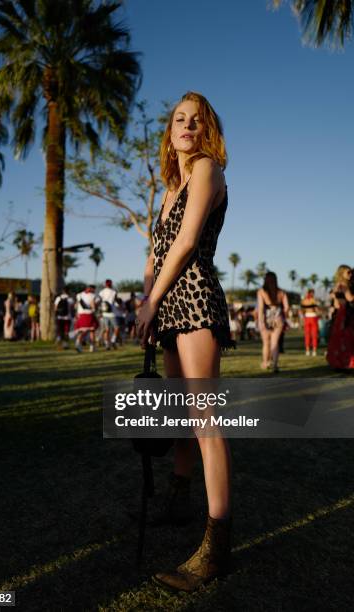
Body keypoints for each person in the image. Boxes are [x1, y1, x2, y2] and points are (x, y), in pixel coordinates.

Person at [136, 92, 234, 592]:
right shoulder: (171, 185)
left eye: (197, 120)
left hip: (193, 299)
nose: (187, 125)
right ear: (170, 130)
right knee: (179, 416)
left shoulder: (207, 171)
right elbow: (156, 251)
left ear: (206, 130)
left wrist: (154, 299)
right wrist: (147, 297)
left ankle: (217, 547)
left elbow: (188, 242)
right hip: (168, 303)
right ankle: (178, 499)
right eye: (180, 118)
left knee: (204, 422)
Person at [257, 271, 289, 373]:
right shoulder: (282, 292)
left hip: (266, 318)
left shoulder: (261, 292)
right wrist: (284, 316)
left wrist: (261, 321)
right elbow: (287, 308)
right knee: (275, 343)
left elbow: (261, 308)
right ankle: (275, 365)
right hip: (278, 318)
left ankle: (265, 363)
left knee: (266, 343)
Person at [327, 267, 354, 370]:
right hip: (345, 314)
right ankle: (345, 363)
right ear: (341, 273)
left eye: (351, 272)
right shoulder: (343, 285)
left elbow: (337, 303)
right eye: (348, 272)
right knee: (345, 338)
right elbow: (350, 298)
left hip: (341, 314)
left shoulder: (339, 285)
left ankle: (340, 363)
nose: (350, 274)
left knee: (341, 339)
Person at [74, 285, 99, 353]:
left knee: (82, 331)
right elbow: (93, 305)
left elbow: (75, 305)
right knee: (92, 330)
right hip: (89, 314)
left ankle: (78, 343)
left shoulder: (79, 295)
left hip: (80, 315)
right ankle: (92, 347)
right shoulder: (92, 295)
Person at [98, 279, 118, 350]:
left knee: (107, 330)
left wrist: (99, 312)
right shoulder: (114, 292)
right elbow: (116, 301)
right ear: (111, 284)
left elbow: (99, 302)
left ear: (105, 284)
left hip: (104, 313)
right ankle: (113, 341)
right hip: (112, 313)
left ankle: (107, 344)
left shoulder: (101, 292)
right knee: (116, 328)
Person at [301, 289, 319, 356]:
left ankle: (308, 350)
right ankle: (312, 350)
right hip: (312, 317)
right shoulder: (313, 300)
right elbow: (317, 310)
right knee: (313, 334)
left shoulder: (304, 300)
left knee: (308, 334)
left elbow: (302, 310)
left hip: (307, 317)